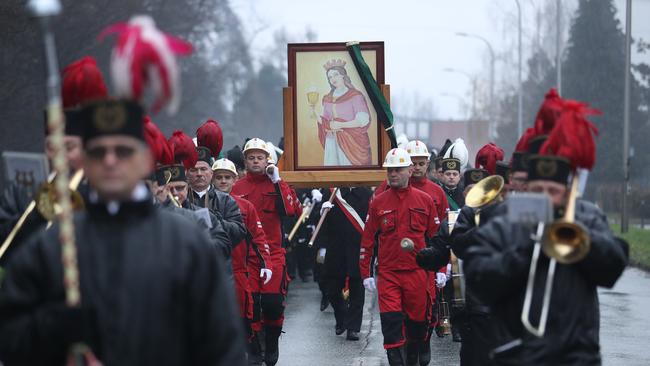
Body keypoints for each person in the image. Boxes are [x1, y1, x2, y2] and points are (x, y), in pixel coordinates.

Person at [0, 99, 247, 365]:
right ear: (84, 161)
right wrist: (53, 326)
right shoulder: (50, 246)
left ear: (143, 161)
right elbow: (10, 338)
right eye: (98, 152)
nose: (110, 161)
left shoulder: (186, 243)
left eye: (123, 151)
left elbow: (222, 346)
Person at [463, 100, 628, 365]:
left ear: (567, 191)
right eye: (539, 191)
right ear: (527, 187)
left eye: (553, 192)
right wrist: (530, 248)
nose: (546, 199)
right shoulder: (507, 216)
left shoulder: (586, 217)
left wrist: (581, 240)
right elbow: (479, 275)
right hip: (516, 354)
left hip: (578, 356)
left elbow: (613, 268)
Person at [0, 56, 106, 264]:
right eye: (52, 147)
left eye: (69, 147)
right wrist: (39, 213)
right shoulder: (21, 192)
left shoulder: (107, 191)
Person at [360, 148, 448, 366]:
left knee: (417, 326)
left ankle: (413, 354)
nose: (392, 174)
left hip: (418, 273)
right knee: (391, 324)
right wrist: (365, 273)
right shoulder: (378, 202)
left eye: (398, 170)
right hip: (389, 273)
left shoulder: (425, 200)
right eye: (390, 170)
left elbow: (437, 239)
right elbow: (368, 238)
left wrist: (442, 269)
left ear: (410, 170)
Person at [231, 138, 301, 366]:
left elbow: (291, 210)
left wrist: (277, 180)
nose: (255, 161)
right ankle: (255, 350)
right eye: (251, 158)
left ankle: (272, 343)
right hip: (247, 256)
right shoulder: (237, 188)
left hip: (273, 254)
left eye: (260, 157)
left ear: (267, 160)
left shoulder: (277, 184)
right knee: (250, 306)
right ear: (245, 161)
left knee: (272, 302)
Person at [212, 158, 274, 362]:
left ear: (234, 179)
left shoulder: (245, 206)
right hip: (211, 270)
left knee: (244, 315)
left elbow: (258, 236)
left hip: (239, 270)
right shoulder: (200, 203)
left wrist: (265, 262)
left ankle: (253, 351)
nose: (223, 181)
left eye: (227, 177)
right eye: (219, 177)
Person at [318, 186, 372, 341]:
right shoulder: (331, 192)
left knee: (357, 288)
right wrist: (322, 213)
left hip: (358, 247)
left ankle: (353, 328)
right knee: (332, 289)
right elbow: (322, 225)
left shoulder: (366, 192)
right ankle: (341, 317)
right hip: (336, 248)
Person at [185, 122, 247, 246]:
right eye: (194, 170)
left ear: (211, 172)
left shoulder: (225, 200)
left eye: (203, 169)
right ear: (187, 173)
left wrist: (217, 221)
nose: (199, 174)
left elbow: (239, 232)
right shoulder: (181, 197)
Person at [312, 59, 372, 166]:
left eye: (335, 75)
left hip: (352, 142)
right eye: (330, 77)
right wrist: (315, 113)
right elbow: (325, 121)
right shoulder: (327, 99)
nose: (333, 79)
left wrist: (341, 125)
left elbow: (363, 120)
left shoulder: (355, 96)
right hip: (332, 141)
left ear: (343, 76)